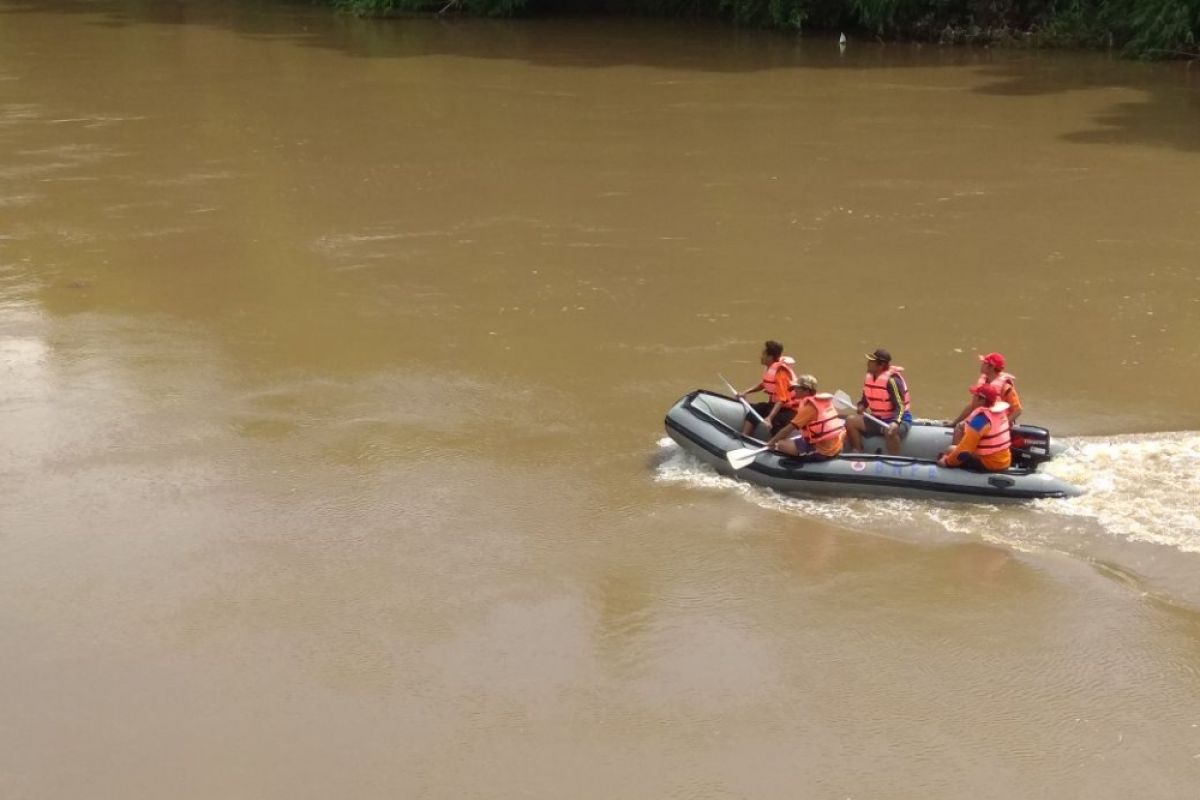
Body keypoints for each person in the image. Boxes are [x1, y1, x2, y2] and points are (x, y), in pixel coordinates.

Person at [844, 347, 912, 456]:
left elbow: (900, 406)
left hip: (900, 420)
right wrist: (861, 406)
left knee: (889, 432)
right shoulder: (870, 378)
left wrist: (895, 422)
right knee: (850, 421)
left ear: (881, 365)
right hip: (877, 419)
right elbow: (865, 399)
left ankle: (894, 459)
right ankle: (858, 451)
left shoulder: (892, 381)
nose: (868, 363)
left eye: (872, 361)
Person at [766, 374, 846, 460]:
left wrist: (772, 442)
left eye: (797, 388)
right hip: (834, 445)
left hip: (823, 450)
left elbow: (788, 429)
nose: (794, 390)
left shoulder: (809, 409)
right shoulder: (822, 402)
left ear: (806, 390)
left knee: (781, 444)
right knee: (791, 441)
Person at [938, 383, 1012, 472]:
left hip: (989, 464)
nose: (972, 399)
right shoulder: (1000, 414)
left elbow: (963, 452)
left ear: (981, 399)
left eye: (974, 396)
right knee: (960, 429)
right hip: (1005, 461)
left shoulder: (980, 421)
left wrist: (947, 461)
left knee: (950, 450)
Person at [951, 352, 1022, 442]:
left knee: (961, 429)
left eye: (984, 363)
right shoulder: (983, 381)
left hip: (997, 422)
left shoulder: (1005, 387)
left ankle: (957, 453)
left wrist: (1001, 427)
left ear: (991, 367)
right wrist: (955, 422)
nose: (981, 365)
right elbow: (973, 406)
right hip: (983, 419)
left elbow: (1018, 411)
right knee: (959, 426)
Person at [736, 340, 797, 436]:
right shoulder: (771, 368)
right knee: (756, 408)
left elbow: (782, 399)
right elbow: (764, 384)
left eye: (763, 354)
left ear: (770, 357)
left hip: (788, 410)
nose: (761, 357)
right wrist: (745, 392)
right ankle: (744, 436)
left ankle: (778, 446)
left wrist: (769, 417)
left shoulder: (781, 374)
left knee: (776, 421)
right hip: (775, 405)